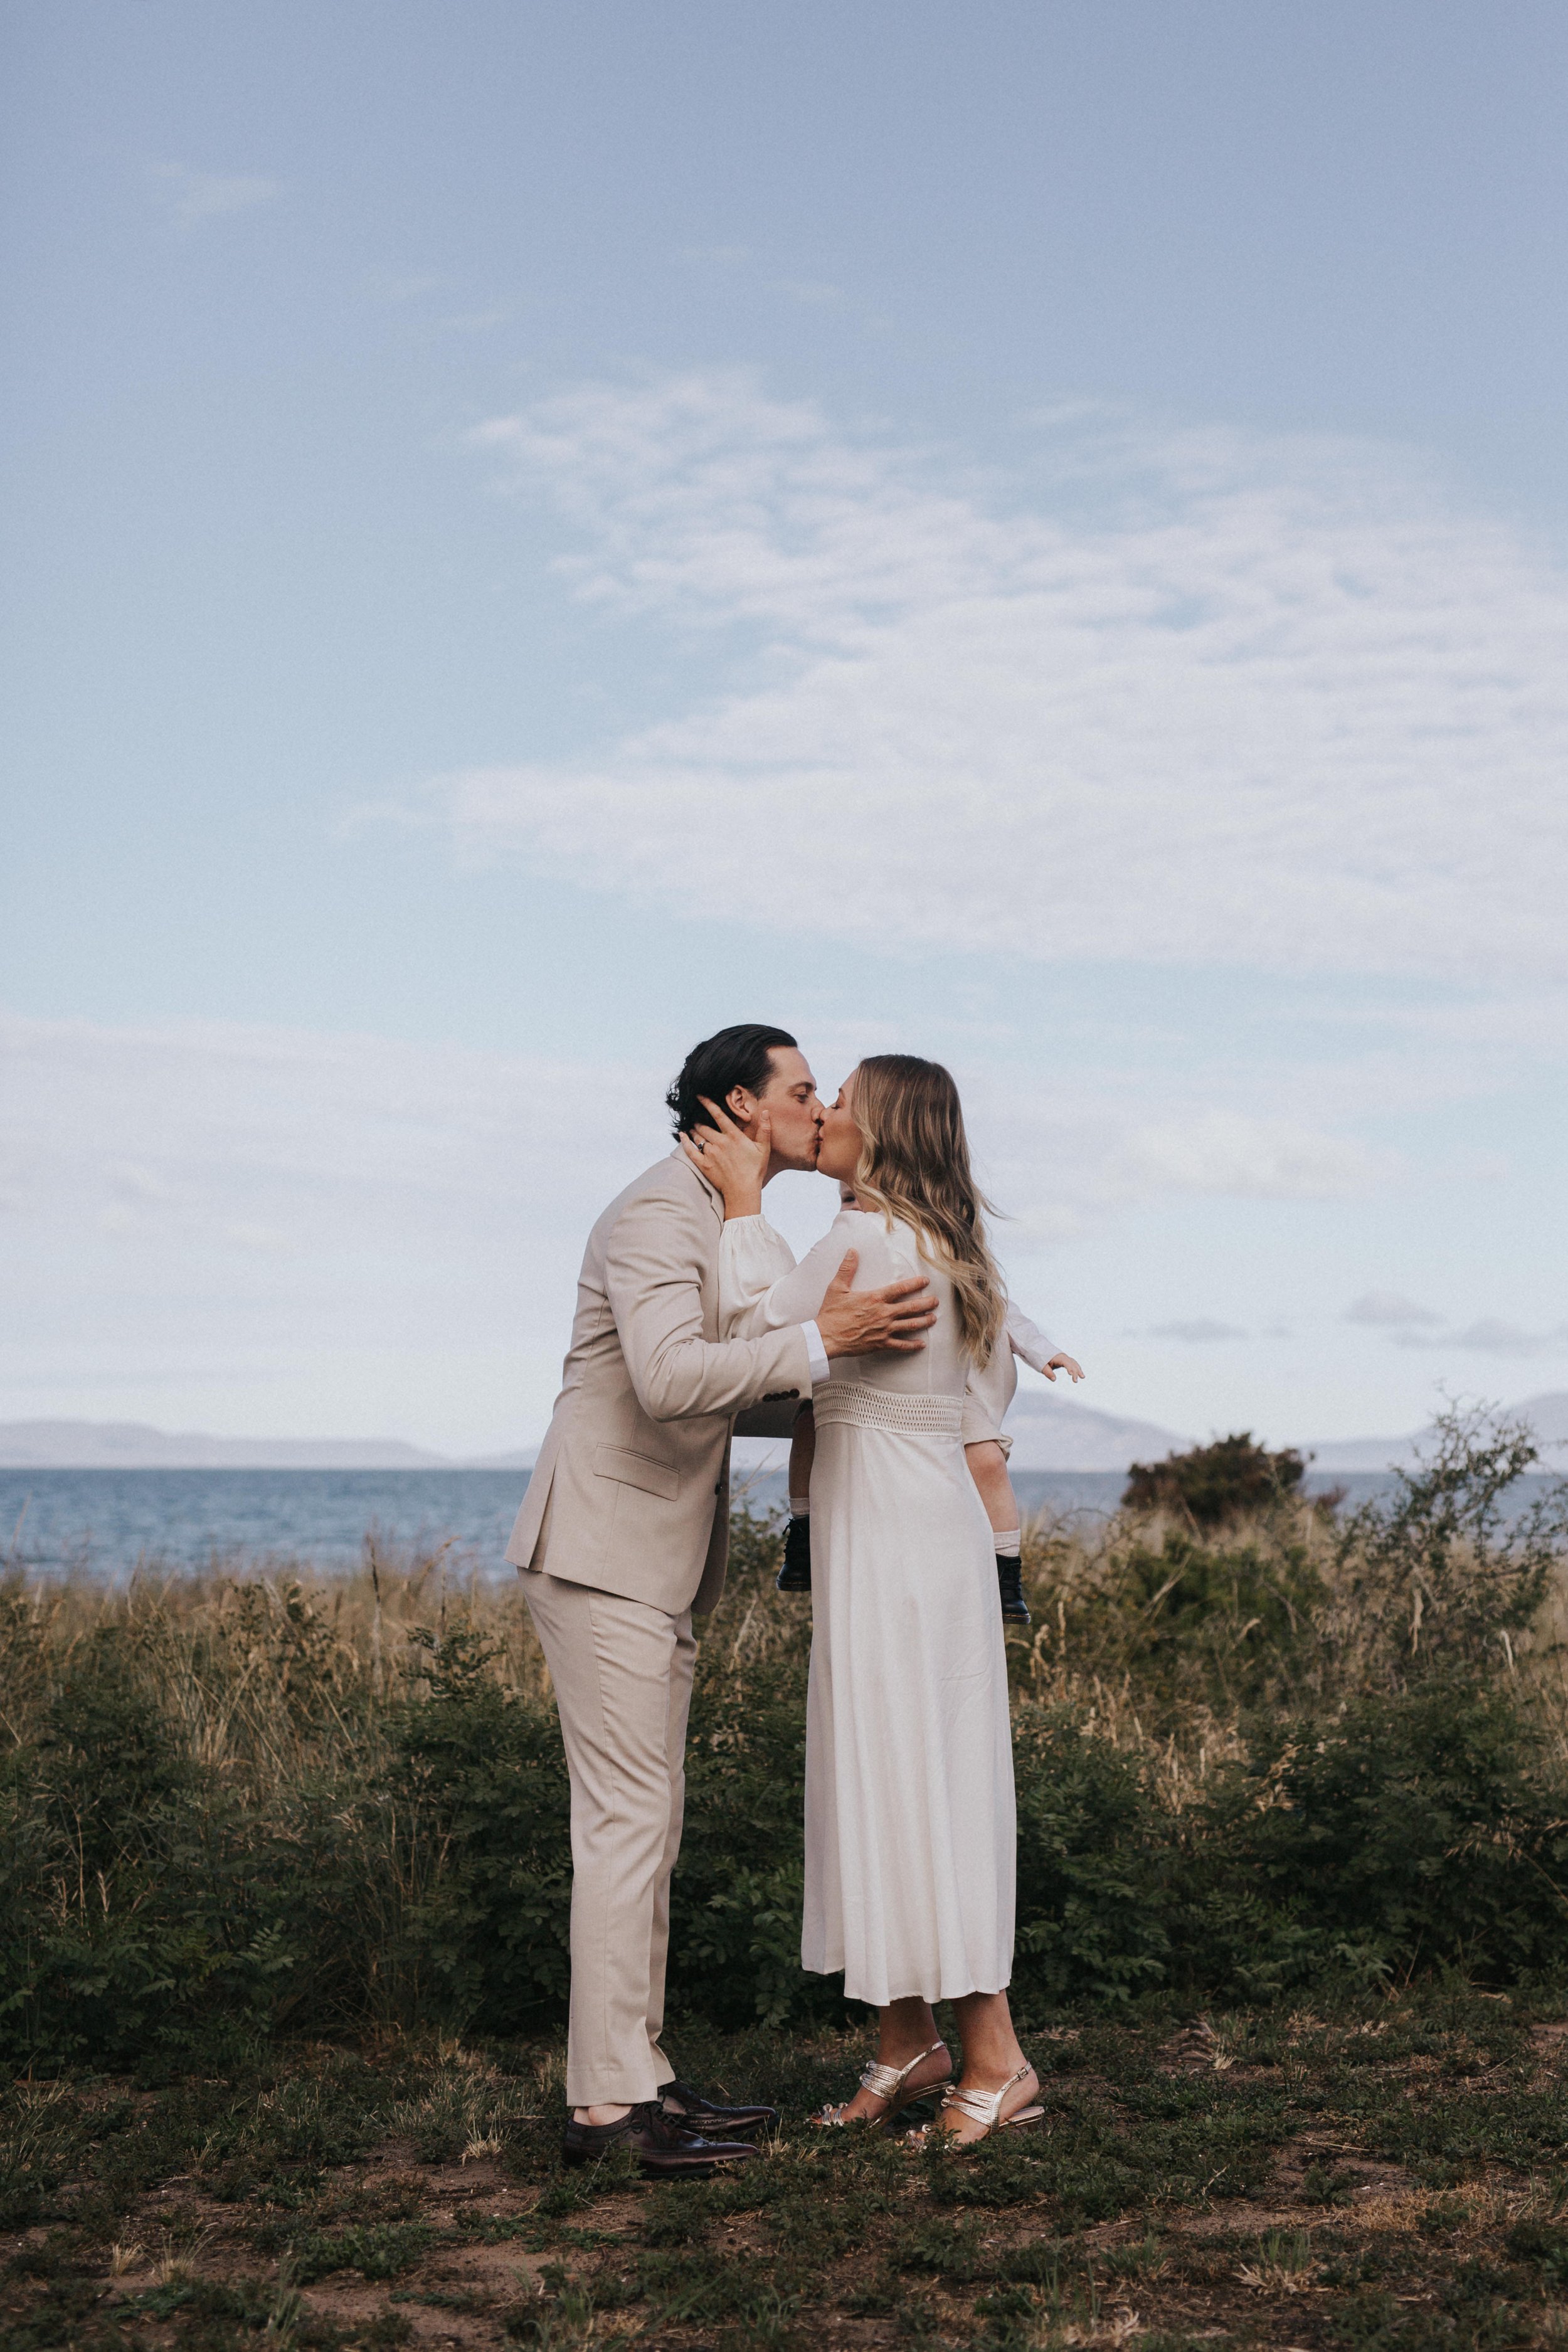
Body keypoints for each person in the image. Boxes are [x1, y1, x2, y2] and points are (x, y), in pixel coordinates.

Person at [506, 1024, 940, 2177]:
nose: (817, 1106)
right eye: (802, 1090)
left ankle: (640, 2079)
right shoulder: (658, 1212)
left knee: (645, 1828)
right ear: (743, 1107)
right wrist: (821, 1343)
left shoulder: (724, 1219)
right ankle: (606, 2112)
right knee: (625, 1829)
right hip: (602, 1551)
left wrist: (839, 1382)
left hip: (645, 1554)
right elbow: (667, 1381)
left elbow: (731, 1384)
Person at [684, 1056, 1045, 2147]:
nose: (824, 1114)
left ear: (882, 1131)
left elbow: (748, 1334)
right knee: (896, 1776)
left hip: (892, 1544)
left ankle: (997, 2058)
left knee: (912, 1782)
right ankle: (906, 2041)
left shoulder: (866, 1241)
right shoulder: (946, 1248)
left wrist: (746, 1203)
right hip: (911, 1534)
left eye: (841, 1100)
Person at [778, 1207, 1084, 1622]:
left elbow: (1007, 1316)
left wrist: (1047, 1354)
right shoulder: (855, 1254)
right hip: (861, 1381)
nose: (853, 1208)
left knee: (989, 1461)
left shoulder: (956, 1271)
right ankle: (803, 1535)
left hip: (951, 1393)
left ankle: (1005, 1575)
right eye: (846, 1199)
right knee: (806, 1424)